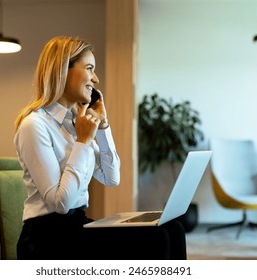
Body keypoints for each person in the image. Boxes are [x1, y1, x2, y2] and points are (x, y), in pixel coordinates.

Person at [14, 35, 187, 260]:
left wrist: (103, 127)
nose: (95, 79)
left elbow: (112, 177)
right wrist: (83, 142)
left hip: (77, 226)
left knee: (172, 229)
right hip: (46, 238)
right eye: (89, 68)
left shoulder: (77, 122)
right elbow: (60, 203)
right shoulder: (34, 125)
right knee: (156, 239)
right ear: (63, 71)